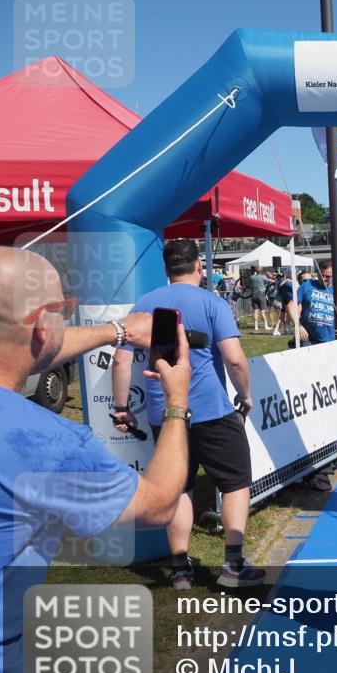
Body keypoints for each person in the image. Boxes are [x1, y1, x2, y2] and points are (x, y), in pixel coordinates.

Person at [0, 247, 191, 673]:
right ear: (42, 324)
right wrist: (176, 402)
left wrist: (118, 331)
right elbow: (157, 505)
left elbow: (16, 346)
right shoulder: (44, 443)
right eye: (63, 308)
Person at [111, 240, 263, 589]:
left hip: (162, 412)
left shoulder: (144, 305)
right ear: (199, 266)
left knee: (179, 485)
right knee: (236, 482)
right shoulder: (212, 302)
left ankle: (180, 569)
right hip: (211, 409)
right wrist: (245, 393)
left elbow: (121, 359)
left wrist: (121, 408)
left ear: (166, 270)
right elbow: (235, 358)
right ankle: (233, 565)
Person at [293, 262, 337, 345]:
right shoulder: (306, 286)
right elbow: (291, 306)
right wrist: (298, 326)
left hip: (331, 339)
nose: (323, 278)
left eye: (327, 276)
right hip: (307, 338)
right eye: (321, 275)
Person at [247, 266, 271, 331]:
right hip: (261, 295)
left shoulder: (251, 277)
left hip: (253, 295)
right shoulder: (263, 277)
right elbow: (272, 281)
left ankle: (256, 326)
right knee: (263, 311)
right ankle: (266, 326)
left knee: (255, 311)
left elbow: (248, 285)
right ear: (261, 271)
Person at [272, 272, 295, 337]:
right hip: (288, 299)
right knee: (288, 315)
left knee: (285, 316)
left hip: (284, 300)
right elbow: (296, 288)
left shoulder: (280, 282)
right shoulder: (289, 283)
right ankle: (283, 329)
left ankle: (286, 329)